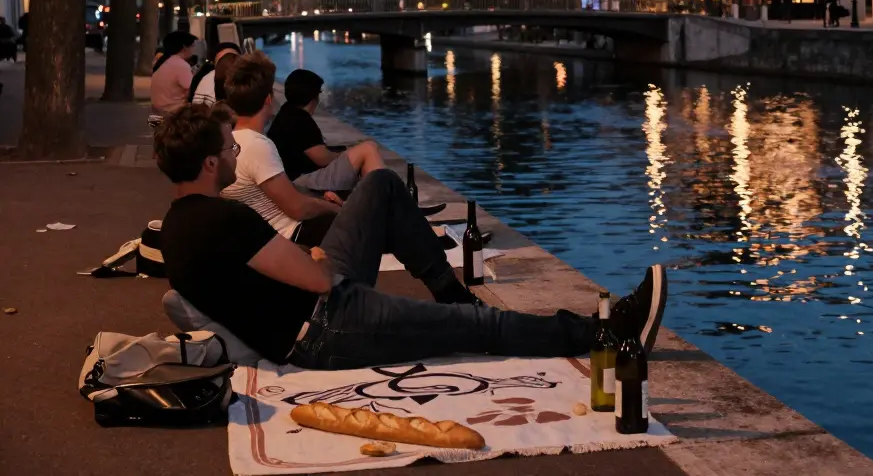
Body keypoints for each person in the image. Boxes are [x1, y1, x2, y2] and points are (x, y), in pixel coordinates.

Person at [154, 103, 669, 369]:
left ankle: (448, 288)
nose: (236, 155)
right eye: (229, 149)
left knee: (378, 185)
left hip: (310, 308)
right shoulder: (222, 220)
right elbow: (316, 281)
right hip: (322, 329)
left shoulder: (178, 225)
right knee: (477, 328)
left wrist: (310, 260)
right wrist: (312, 259)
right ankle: (604, 334)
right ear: (208, 162)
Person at [221, 52, 342, 244]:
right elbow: (298, 209)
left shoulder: (229, 140)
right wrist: (335, 209)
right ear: (268, 99)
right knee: (361, 216)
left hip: (264, 230)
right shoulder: (258, 146)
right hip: (289, 234)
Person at [268, 68, 385, 190]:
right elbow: (322, 158)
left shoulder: (287, 111)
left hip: (288, 178)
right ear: (313, 98)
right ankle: (387, 198)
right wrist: (345, 155)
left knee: (361, 152)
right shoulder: (301, 120)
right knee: (369, 148)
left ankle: (376, 197)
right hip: (300, 181)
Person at [150, 31, 199, 115]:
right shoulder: (181, 65)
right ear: (184, 47)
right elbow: (193, 91)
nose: (193, 49)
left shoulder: (165, 62)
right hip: (174, 112)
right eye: (192, 46)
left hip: (159, 110)